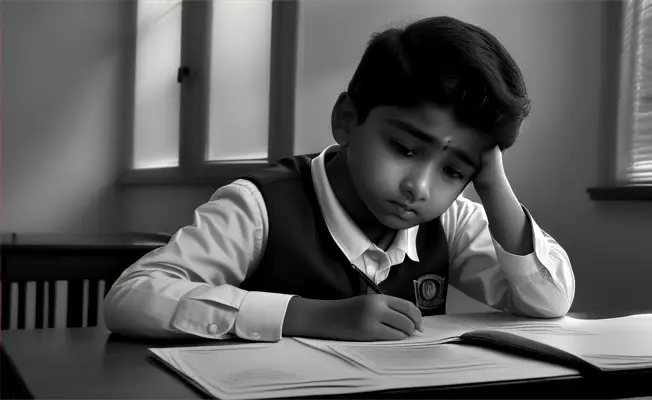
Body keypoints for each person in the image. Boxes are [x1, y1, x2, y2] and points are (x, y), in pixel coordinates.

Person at [104, 16, 575, 342]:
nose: (421, 187)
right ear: (347, 119)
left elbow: (547, 301)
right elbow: (131, 297)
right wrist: (305, 315)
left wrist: (493, 185)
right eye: (404, 149)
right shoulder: (260, 206)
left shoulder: (450, 220)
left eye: (454, 171)